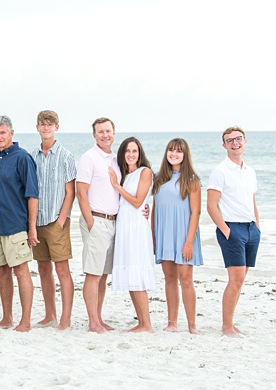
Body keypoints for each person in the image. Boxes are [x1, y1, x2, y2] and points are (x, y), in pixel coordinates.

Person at [0, 115, 39, 332]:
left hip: (16, 225)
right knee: (2, 271)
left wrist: (32, 227)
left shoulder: (22, 158)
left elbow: (33, 195)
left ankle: (25, 321)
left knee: (21, 270)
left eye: (3, 133)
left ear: (11, 133)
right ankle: (7, 317)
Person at [207, 126, 261, 338]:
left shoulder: (250, 171)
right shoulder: (220, 171)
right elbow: (211, 206)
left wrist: (257, 226)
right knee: (235, 279)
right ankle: (226, 326)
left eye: (238, 139)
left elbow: (252, 200)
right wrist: (227, 231)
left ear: (245, 141)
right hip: (232, 228)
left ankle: (231, 322)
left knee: (241, 279)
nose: (235, 143)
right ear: (224, 145)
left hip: (250, 228)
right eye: (230, 140)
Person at [29, 110, 76, 330]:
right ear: (37, 128)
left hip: (56, 222)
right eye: (42, 124)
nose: (46, 128)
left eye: (50, 124)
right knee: (43, 269)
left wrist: (60, 220)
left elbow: (71, 192)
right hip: (37, 222)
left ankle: (65, 318)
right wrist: (31, 224)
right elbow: (29, 191)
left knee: (63, 270)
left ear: (57, 127)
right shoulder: (32, 157)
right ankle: (50, 315)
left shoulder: (65, 156)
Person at [152, 138, 203, 334]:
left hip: (184, 234)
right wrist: (154, 238)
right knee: (169, 278)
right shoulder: (159, 178)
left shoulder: (192, 180)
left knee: (186, 278)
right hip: (164, 235)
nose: (174, 154)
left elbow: (196, 213)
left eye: (179, 151)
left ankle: (192, 325)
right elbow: (155, 210)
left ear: (185, 155)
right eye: (171, 150)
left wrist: (189, 242)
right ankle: (172, 322)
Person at [75, 117, 120, 333]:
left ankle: (99, 319)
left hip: (112, 222)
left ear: (114, 132)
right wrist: (91, 223)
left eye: (108, 131)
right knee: (93, 274)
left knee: (103, 275)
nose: (105, 135)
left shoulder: (115, 158)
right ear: (94, 135)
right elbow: (80, 192)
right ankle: (93, 322)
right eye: (100, 132)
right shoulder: (89, 158)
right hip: (96, 220)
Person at [109, 137, 155, 333]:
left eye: (134, 151)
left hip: (136, 227)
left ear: (140, 153)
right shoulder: (124, 174)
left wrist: (117, 187)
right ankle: (141, 323)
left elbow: (137, 202)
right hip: (124, 226)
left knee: (137, 273)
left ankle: (147, 324)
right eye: (127, 151)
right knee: (130, 275)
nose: (131, 154)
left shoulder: (145, 172)